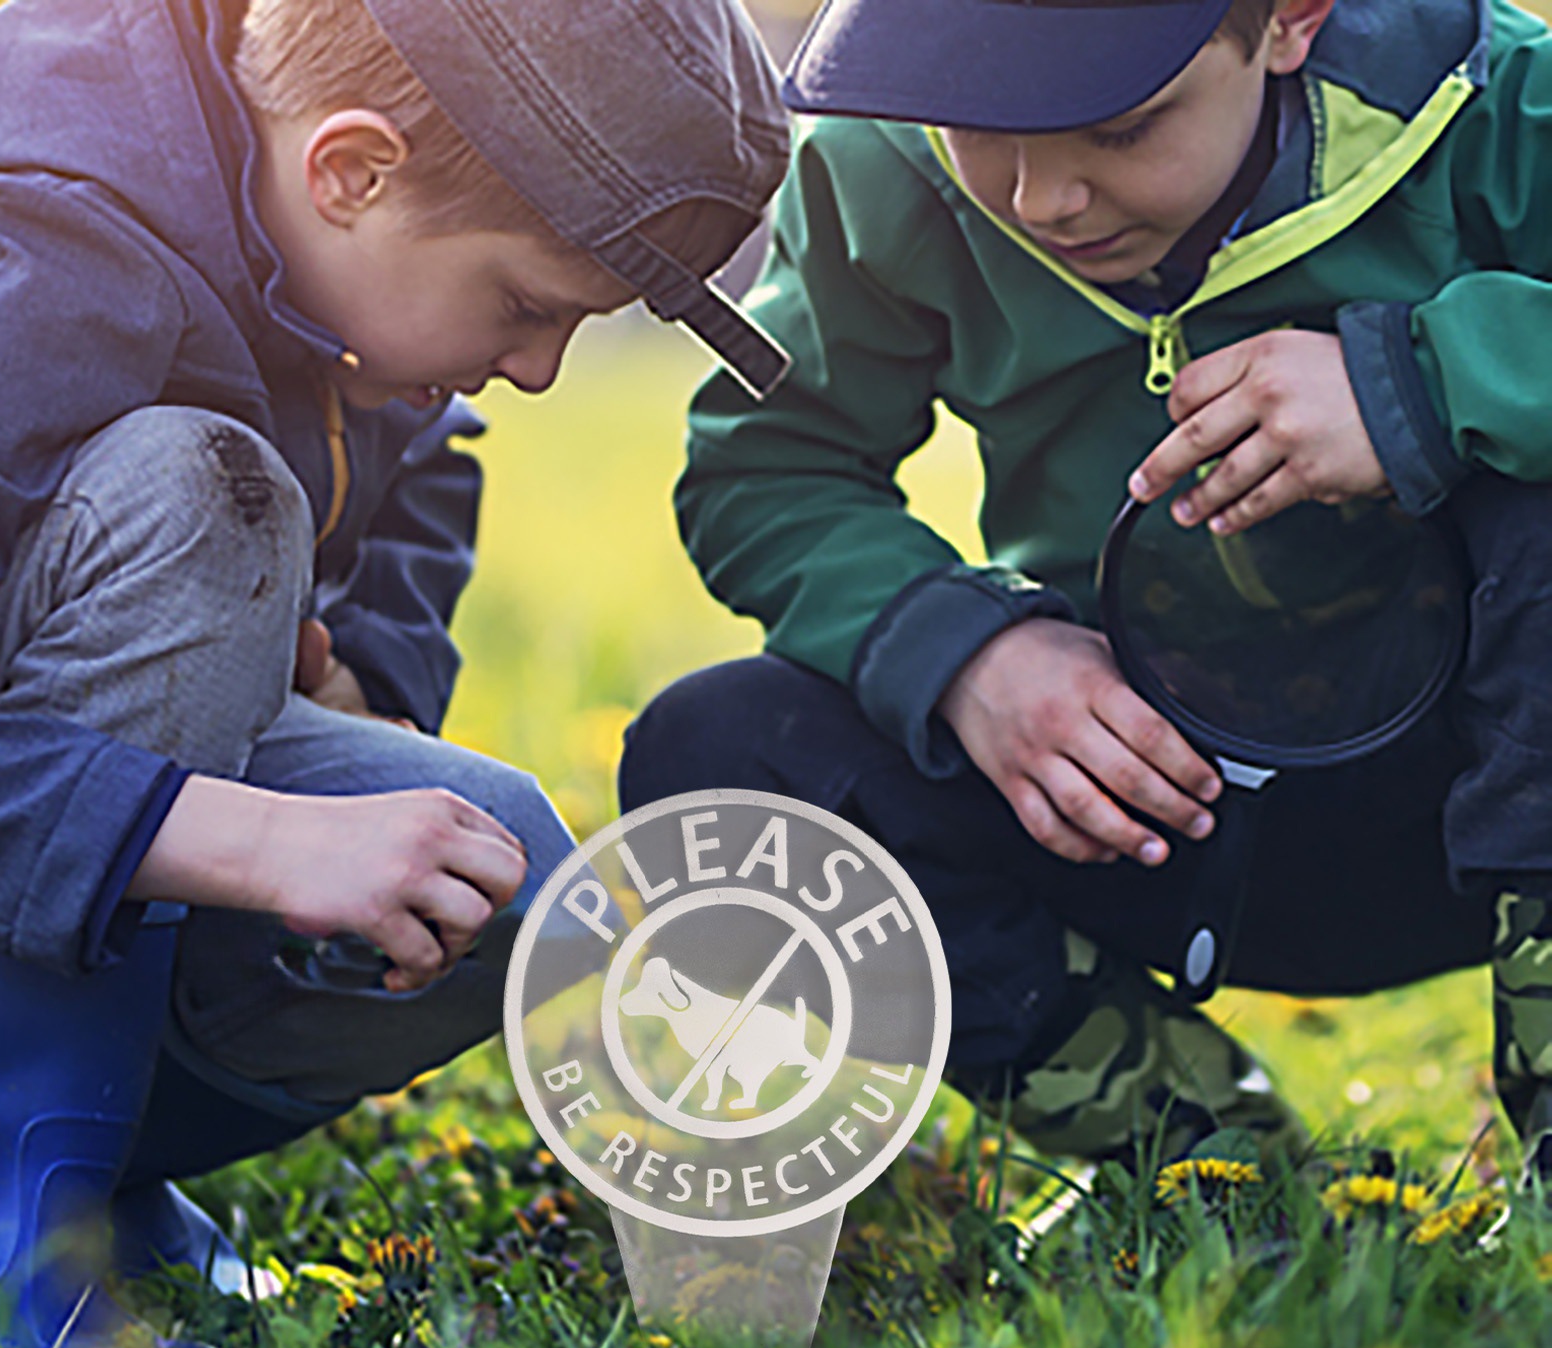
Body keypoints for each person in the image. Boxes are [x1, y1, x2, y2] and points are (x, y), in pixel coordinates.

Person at [0, 0, 790, 1348]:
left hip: (38, 831)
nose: (536, 368)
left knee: (490, 866)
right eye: (526, 306)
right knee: (196, 499)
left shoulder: (312, 219)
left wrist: (366, 687)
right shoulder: (40, 238)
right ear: (352, 168)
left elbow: (420, 454)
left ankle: (85, 1181)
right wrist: (270, 840)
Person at [622, 0, 1552, 1192]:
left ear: (1289, 21)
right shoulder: (881, 164)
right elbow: (767, 466)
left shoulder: (1499, 106)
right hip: (1154, 803)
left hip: (1492, 785)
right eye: (981, 128)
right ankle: (1215, 1168)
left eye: (1116, 131)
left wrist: (1427, 383)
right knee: (720, 755)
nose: (1038, 199)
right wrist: (967, 656)